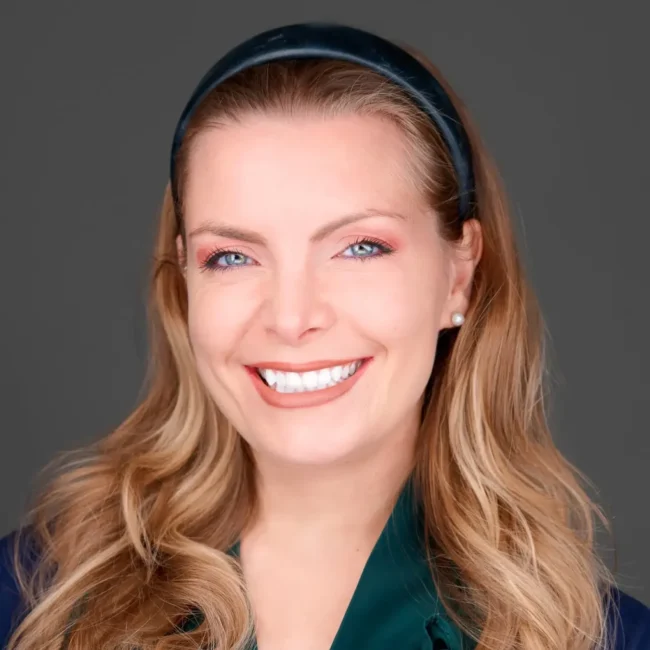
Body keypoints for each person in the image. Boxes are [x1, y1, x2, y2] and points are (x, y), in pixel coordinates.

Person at [0, 21, 648, 650]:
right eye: (232, 256)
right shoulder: (32, 599)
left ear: (459, 275)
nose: (290, 318)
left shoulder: (602, 639)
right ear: (185, 277)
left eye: (359, 247)